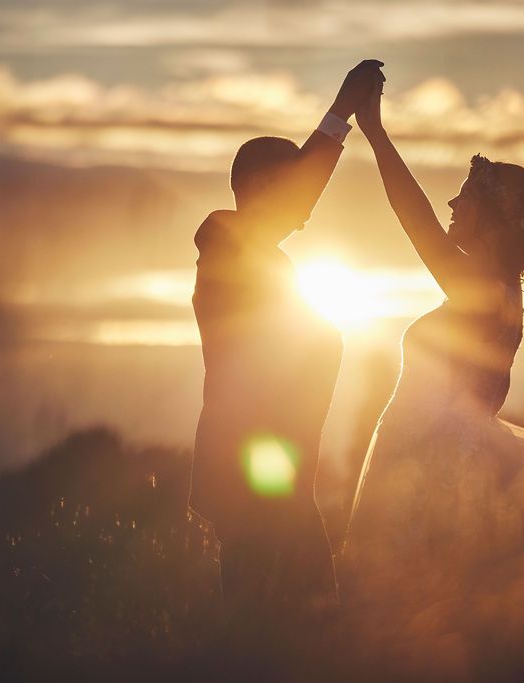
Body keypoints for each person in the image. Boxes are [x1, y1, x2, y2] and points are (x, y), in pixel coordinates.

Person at [341, 68, 524, 673]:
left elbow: (414, 220)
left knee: (418, 622)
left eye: (467, 196)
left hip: (437, 471)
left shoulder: (479, 287)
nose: (453, 203)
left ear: (489, 217)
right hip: (464, 463)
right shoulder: (502, 291)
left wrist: (375, 133)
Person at [191, 60, 385, 624]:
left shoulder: (262, 260)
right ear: (256, 189)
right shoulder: (225, 244)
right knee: (283, 615)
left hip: (278, 476)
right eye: (291, 186)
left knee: (290, 616)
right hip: (254, 469)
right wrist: (341, 113)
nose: (304, 212)